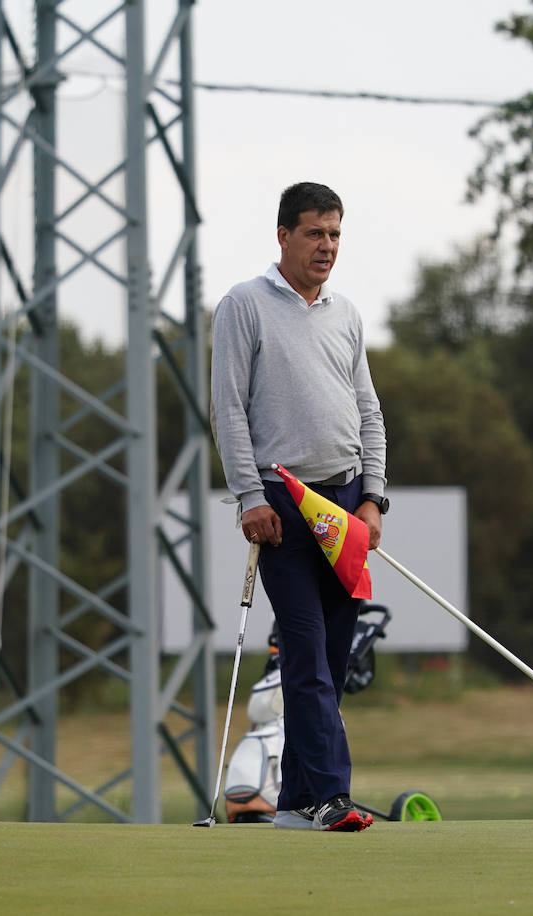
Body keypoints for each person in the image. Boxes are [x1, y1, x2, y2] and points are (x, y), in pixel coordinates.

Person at [210, 181, 388, 832]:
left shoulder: (345, 313)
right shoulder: (244, 305)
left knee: (334, 658)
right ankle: (329, 798)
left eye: (335, 234)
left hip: (343, 504)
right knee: (307, 652)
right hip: (283, 501)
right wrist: (250, 497)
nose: (327, 246)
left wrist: (373, 497)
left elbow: (368, 410)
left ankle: (294, 803)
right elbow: (227, 408)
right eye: (315, 233)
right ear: (283, 235)